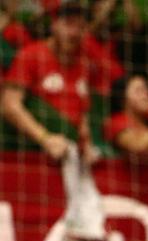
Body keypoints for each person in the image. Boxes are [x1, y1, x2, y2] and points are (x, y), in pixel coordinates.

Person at [1, 2, 111, 160]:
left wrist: (87, 144)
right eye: (68, 24)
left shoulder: (84, 63)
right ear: (54, 25)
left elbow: (82, 114)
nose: (74, 32)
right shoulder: (31, 55)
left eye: (81, 27)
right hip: (30, 152)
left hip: (69, 153)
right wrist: (45, 138)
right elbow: (9, 105)